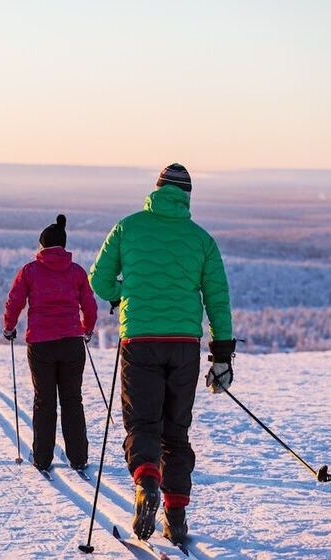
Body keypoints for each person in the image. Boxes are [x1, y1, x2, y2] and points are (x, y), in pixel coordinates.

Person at [88, 163, 235, 544]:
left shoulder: (127, 227)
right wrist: (221, 354)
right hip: (185, 345)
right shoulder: (202, 240)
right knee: (176, 433)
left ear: (155, 191)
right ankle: (176, 516)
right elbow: (217, 299)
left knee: (142, 426)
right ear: (186, 197)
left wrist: (123, 295)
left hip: (139, 341)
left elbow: (99, 278)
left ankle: (146, 482)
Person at [3, 214, 98, 473]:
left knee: (44, 400)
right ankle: (78, 457)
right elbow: (89, 306)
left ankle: (42, 458)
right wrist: (86, 330)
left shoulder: (30, 271)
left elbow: (15, 302)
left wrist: (9, 327)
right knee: (72, 400)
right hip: (72, 343)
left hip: (41, 344)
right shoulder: (76, 271)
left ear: (42, 245)